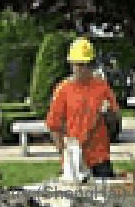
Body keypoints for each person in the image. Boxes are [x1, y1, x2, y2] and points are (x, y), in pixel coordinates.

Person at [46, 37, 121, 178]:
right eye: (79, 64)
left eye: (87, 64)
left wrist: (108, 113)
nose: (82, 69)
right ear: (71, 65)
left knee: (107, 197)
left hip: (100, 158)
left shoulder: (102, 87)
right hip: (75, 159)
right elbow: (54, 125)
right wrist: (65, 155)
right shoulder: (63, 89)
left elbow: (115, 118)